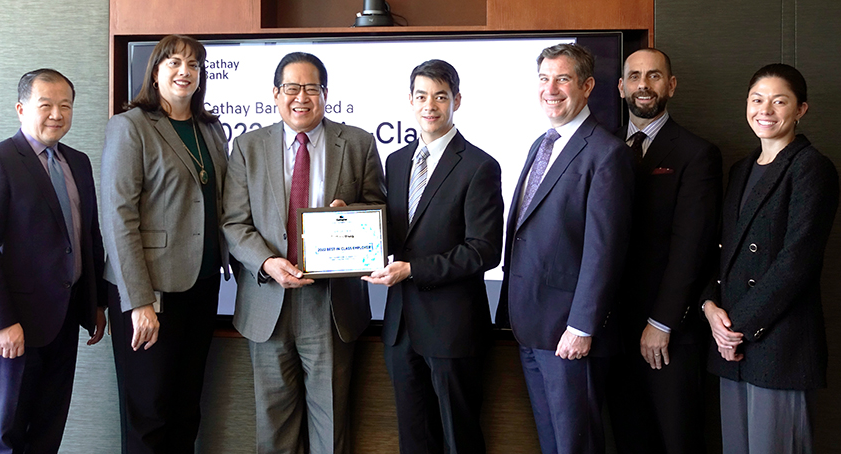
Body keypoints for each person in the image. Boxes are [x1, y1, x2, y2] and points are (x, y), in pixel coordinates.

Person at [222, 52, 386, 454]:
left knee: (331, 427)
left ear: (325, 94)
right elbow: (233, 223)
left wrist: (354, 219)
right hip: (267, 302)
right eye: (291, 88)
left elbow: (381, 213)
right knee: (273, 427)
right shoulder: (247, 147)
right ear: (275, 94)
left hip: (331, 305)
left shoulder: (359, 143)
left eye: (311, 87)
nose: (301, 97)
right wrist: (267, 262)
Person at [496, 43, 634, 454]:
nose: (550, 89)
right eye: (543, 79)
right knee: (553, 443)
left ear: (587, 86)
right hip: (532, 326)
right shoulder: (541, 144)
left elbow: (604, 251)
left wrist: (582, 327)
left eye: (563, 79)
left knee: (577, 444)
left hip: (571, 334)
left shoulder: (606, 154)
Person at [362, 59, 504, 454]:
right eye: (422, 96)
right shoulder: (398, 161)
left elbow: (485, 250)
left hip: (452, 328)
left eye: (440, 96)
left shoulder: (479, 166)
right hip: (400, 328)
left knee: (458, 437)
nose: (430, 105)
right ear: (410, 101)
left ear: (456, 100)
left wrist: (413, 270)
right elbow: (396, 232)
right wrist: (350, 220)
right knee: (413, 438)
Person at [0, 68, 106, 453]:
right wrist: (2, 322)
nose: (57, 114)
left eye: (65, 106)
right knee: (5, 436)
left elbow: (88, 237)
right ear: (21, 109)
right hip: (14, 327)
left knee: (47, 430)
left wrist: (96, 304)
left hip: (64, 321)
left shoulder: (78, 162)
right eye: (46, 105)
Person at [100, 34, 229, 453]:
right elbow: (118, 217)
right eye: (173, 62)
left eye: (193, 64)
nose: (184, 71)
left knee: (186, 408)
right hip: (150, 292)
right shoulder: (131, 126)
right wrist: (139, 302)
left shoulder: (211, 129)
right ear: (155, 73)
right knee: (149, 413)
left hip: (203, 285)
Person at [701, 63, 838, 454]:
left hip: (780, 346)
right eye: (757, 100)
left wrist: (735, 328)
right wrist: (709, 307)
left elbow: (797, 262)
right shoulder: (741, 169)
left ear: (801, 109)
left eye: (780, 101)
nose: (766, 110)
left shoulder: (812, 168)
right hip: (730, 342)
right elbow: (722, 249)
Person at [605, 48, 722, 454]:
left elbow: (692, 247)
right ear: (621, 86)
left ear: (670, 85)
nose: (643, 85)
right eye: (634, 76)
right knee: (628, 439)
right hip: (612, 331)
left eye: (654, 76)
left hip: (669, 334)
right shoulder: (600, 146)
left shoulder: (696, 153)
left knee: (678, 441)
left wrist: (662, 321)